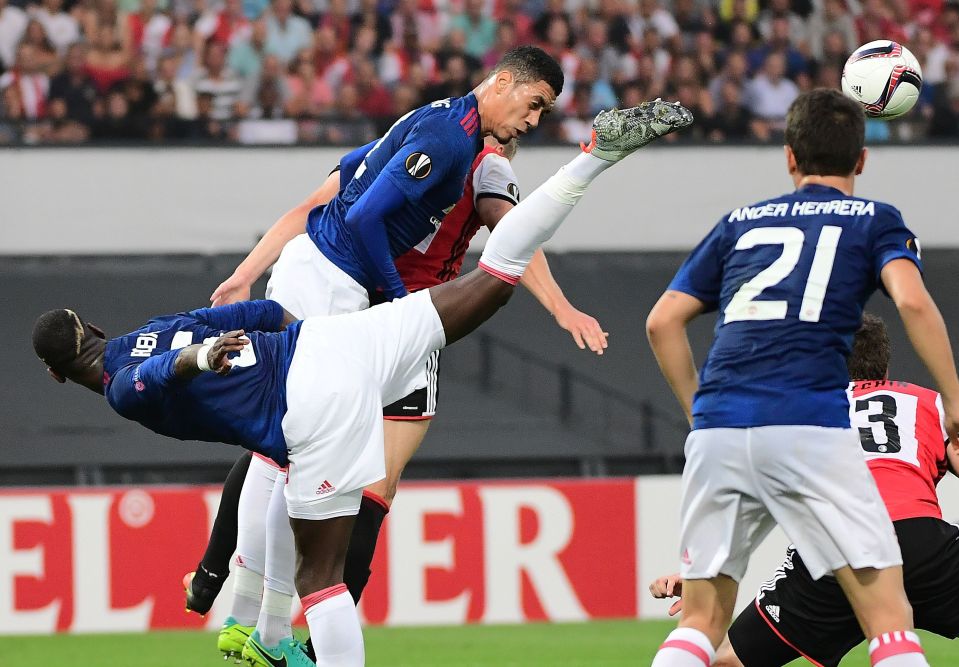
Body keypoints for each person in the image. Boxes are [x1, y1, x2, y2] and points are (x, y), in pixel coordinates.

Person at [33, 99, 694, 667]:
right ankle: (593, 157)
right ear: (92, 323)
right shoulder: (146, 331)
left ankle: (254, 620)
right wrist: (264, 317)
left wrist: (199, 363)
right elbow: (228, 321)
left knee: (317, 577)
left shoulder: (122, 382)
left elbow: (152, 377)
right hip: (335, 337)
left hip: (313, 400)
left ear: (60, 375)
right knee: (496, 274)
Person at [193, 44, 573, 664]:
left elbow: (326, 196)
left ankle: (242, 612)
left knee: (280, 449)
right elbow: (489, 230)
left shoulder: (430, 121)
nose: (534, 122)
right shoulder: (462, 147)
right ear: (504, 82)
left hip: (325, 276)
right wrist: (402, 307)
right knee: (340, 476)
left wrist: (246, 272)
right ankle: (268, 630)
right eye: (534, 106)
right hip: (362, 298)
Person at [645, 88, 959, 667]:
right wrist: (957, 403)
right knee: (888, 617)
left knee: (698, 623)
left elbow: (663, 321)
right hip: (809, 419)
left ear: (789, 156)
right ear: (862, 160)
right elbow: (914, 305)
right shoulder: (875, 220)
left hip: (719, 424)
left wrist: (700, 418)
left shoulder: (738, 223)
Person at [649, 313, 959, 666]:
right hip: (923, 542)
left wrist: (705, 574)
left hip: (834, 549)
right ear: (884, 367)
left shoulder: (797, 412)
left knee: (727, 659)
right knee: (894, 638)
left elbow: (749, 496)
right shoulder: (931, 403)